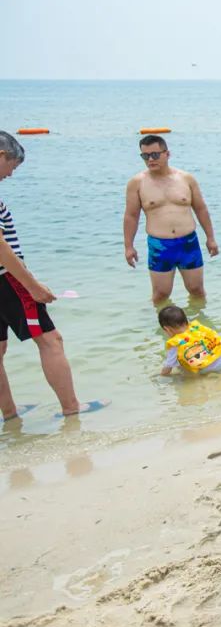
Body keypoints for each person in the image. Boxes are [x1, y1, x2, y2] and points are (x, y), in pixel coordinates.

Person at [0, 131, 106, 421]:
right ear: (1, 156)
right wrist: (31, 285)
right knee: (50, 340)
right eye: (13, 165)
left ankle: (9, 413)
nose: (11, 174)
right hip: (6, 280)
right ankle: (71, 407)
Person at [123, 135, 219, 304]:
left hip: (188, 242)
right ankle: (162, 327)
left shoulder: (185, 178)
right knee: (161, 294)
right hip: (160, 245)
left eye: (155, 155)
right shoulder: (137, 183)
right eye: (145, 156)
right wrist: (128, 246)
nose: (150, 160)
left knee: (197, 290)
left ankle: (199, 325)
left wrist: (210, 238)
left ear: (167, 154)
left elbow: (200, 208)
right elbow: (131, 216)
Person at [157, 305, 221, 376]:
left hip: (205, 370)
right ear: (186, 321)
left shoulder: (175, 344)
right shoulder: (197, 329)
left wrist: (161, 375)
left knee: (181, 366)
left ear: (167, 329)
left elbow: (168, 368)